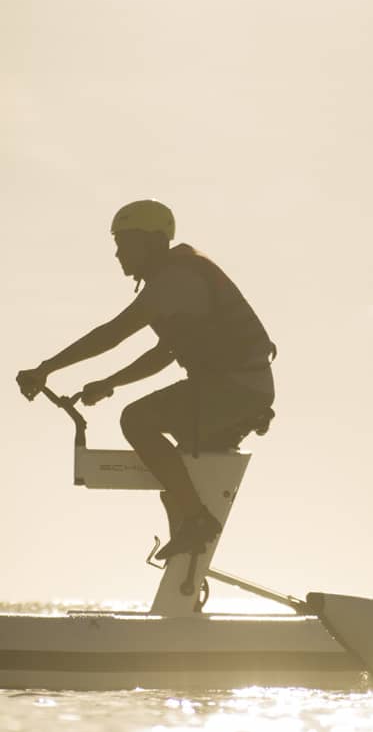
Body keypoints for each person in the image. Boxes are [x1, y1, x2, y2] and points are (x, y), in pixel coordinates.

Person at [16, 199, 275, 559]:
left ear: (153, 242)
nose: (118, 253)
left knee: (137, 420)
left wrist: (46, 368)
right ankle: (189, 555)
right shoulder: (172, 281)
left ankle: (197, 522)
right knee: (176, 476)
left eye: (124, 243)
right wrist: (110, 382)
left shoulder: (176, 280)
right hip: (237, 390)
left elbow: (113, 334)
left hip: (234, 391)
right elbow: (163, 353)